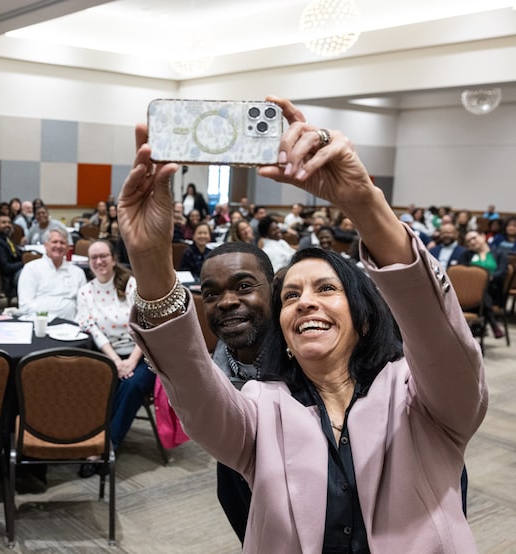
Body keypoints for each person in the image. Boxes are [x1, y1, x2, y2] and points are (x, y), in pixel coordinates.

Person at [117, 96, 486, 552]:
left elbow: (438, 335)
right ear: (283, 329)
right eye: (291, 296)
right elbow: (191, 383)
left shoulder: (424, 401)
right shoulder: (257, 412)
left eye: (326, 290)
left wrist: (361, 200)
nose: (305, 303)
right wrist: (151, 259)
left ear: (364, 318)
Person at [199, 240, 274, 543]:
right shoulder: (220, 359)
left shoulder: (308, 363)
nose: (226, 301)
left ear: (274, 288)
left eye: (243, 286)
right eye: (211, 294)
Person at [75, 239, 155, 477]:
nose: (99, 262)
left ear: (113, 258)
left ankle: (104, 447)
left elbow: (143, 325)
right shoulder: (85, 292)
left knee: (131, 384)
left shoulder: (131, 285)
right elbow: (92, 329)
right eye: (94, 258)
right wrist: (115, 361)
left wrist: (131, 361)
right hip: (106, 355)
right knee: (97, 384)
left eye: (103, 256)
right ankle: (93, 442)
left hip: (141, 353)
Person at [17, 227, 86, 319]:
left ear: (68, 248)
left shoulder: (78, 272)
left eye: (62, 243)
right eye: (54, 242)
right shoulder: (31, 269)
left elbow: (84, 306)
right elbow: (25, 306)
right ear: (45, 245)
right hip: (39, 324)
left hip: (71, 325)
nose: (58, 246)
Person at [461, 230, 508, 339]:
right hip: (470, 292)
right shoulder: (467, 255)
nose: (472, 242)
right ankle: (493, 325)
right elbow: (461, 272)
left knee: (483, 291)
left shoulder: (499, 253)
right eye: (468, 241)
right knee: (480, 292)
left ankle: (479, 326)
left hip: (494, 292)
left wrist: (487, 278)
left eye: (474, 238)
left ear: (482, 236)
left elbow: (502, 272)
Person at [0, 213, 23, 300]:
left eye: (9, 222)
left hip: (14, 271)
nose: (7, 225)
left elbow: (16, 253)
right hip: (10, 278)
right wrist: (24, 263)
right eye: (3, 223)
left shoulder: (5, 238)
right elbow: (6, 268)